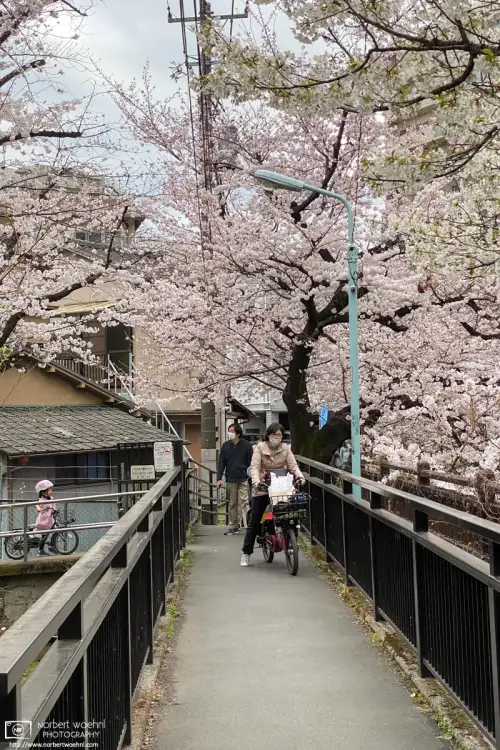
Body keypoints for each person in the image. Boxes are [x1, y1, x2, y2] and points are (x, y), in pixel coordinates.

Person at [241, 423, 304, 567]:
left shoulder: (286, 449)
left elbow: (293, 466)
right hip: (263, 486)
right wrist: (256, 482)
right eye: (274, 434)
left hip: (281, 486)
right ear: (268, 435)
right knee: (255, 520)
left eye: (279, 434)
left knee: (291, 515)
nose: (277, 437)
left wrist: (300, 477)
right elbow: (255, 467)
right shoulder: (259, 448)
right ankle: (246, 552)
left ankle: (290, 541)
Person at [217, 423, 253, 535]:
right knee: (232, 503)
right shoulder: (225, 446)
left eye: (232, 431)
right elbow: (221, 463)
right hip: (230, 478)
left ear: (238, 433)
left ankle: (248, 524)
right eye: (229, 430)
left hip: (243, 478)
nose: (230, 433)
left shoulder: (246, 445)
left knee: (244, 501)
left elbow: (251, 462)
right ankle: (233, 525)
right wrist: (219, 478)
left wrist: (252, 476)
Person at [34, 480, 56, 557]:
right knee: (44, 536)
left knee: (53, 531)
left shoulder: (51, 498)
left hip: (50, 519)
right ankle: (42, 550)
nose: (51, 491)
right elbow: (37, 506)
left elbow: (53, 506)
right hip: (44, 520)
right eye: (49, 489)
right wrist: (39, 509)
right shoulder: (41, 500)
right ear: (43, 492)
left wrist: (54, 511)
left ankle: (51, 545)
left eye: (51, 489)